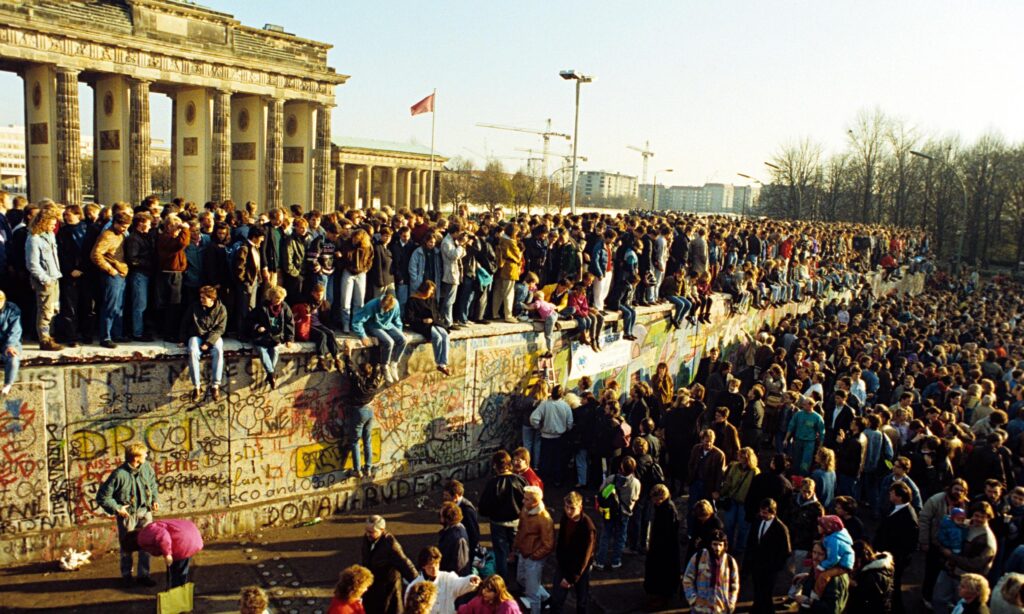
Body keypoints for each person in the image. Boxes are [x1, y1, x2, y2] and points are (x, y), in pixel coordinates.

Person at [96, 442, 160, 587]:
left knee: (147, 545)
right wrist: (117, 508)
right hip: (128, 516)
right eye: (144, 454)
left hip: (145, 512)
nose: (147, 456)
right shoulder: (119, 475)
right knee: (127, 547)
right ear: (136, 457)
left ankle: (144, 575)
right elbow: (102, 496)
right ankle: (127, 576)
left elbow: (153, 484)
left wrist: (155, 499)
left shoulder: (146, 468)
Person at [477, 450, 526, 580]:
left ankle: (503, 581)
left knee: (500, 553)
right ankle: (520, 578)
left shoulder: (493, 483)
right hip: (516, 522)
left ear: (495, 466)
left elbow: (483, 507)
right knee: (518, 551)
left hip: (497, 523)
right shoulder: (520, 480)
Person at [873, 481, 919, 613]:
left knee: (893, 586)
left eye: (892, 493)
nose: (889, 495)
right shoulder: (896, 507)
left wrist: (896, 559)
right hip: (888, 554)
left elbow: (909, 543)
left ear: (899, 497)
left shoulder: (908, 517)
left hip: (895, 559)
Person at [339, 343, 383, 478]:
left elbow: (351, 370)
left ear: (361, 372)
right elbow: (377, 367)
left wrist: (347, 355)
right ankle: (368, 468)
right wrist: (376, 349)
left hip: (358, 411)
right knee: (367, 440)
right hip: (370, 410)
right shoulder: (374, 382)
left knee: (354, 441)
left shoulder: (358, 382)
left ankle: (357, 470)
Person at [122, 518, 204, 589]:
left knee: (176, 574)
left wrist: (167, 554)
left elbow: (163, 535)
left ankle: (176, 597)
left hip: (183, 542)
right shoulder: (147, 530)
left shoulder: (141, 538)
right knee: (180, 572)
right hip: (190, 537)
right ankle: (179, 595)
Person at [549, 491, 595, 614]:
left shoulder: (587, 527)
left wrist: (570, 578)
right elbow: (561, 541)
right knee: (557, 599)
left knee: (581, 601)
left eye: (572, 508)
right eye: (566, 507)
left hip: (579, 570)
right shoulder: (565, 518)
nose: (568, 511)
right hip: (564, 564)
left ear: (580, 507)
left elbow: (584, 558)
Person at [180, 285, 227, 403]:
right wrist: (182, 339)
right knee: (192, 351)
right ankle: (197, 387)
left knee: (218, 351)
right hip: (196, 335)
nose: (201, 300)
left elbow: (220, 329)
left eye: (204, 298)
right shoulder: (194, 307)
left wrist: (208, 342)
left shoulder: (221, 309)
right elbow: (184, 322)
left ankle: (215, 386)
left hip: (213, 336)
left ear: (212, 299)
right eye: (200, 297)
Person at [25, 206, 63, 351]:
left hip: (55, 277)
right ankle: (44, 339)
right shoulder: (33, 239)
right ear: (44, 222)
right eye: (52, 224)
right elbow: (32, 263)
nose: (54, 226)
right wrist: (44, 279)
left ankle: (50, 335)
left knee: (53, 309)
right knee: (45, 311)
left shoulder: (50, 235)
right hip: (45, 280)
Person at [91, 211, 131, 348]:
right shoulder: (107, 235)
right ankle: (106, 337)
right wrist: (109, 269)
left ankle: (117, 334)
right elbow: (95, 255)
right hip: (112, 275)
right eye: (123, 226)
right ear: (115, 223)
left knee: (119, 307)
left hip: (121, 273)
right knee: (110, 306)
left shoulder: (122, 234)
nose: (125, 229)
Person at [361, 515, 417, 614]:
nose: (367, 534)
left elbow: (406, 565)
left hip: (387, 593)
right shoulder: (368, 539)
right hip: (372, 590)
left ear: (382, 530)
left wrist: (419, 583)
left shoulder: (390, 545)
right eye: (367, 530)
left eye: (371, 532)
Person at [512, 485, 554, 614]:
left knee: (532, 593)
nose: (523, 501)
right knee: (522, 579)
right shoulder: (526, 510)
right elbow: (520, 530)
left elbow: (548, 544)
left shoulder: (544, 519)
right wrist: (515, 548)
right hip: (524, 553)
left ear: (535, 502)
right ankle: (546, 598)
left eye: (527, 499)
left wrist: (534, 556)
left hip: (533, 557)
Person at [595, 455, 641, 570]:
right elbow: (635, 498)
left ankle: (600, 561)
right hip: (624, 513)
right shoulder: (636, 483)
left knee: (605, 535)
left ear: (621, 467)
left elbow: (601, 492)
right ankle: (616, 561)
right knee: (620, 537)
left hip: (610, 512)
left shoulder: (611, 479)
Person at [747, 498, 791, 614]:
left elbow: (786, 551)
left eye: (765, 512)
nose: (762, 514)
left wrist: (775, 567)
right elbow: (751, 541)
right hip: (757, 565)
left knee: (766, 593)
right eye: (761, 512)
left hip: (770, 568)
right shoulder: (758, 521)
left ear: (773, 512)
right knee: (757, 590)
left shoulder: (780, 528)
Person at [406, 546, 480, 614]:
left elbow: (459, 583)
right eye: (430, 566)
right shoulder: (414, 587)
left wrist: (470, 580)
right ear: (423, 566)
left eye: (437, 564)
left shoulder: (447, 578)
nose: (434, 569)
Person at [352, 292, 406, 384]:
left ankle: (394, 363)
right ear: (381, 303)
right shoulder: (372, 305)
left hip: (388, 325)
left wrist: (400, 331)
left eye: (389, 310)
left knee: (403, 339)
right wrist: (363, 335)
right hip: (373, 326)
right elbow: (357, 321)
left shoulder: (395, 304)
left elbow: (397, 319)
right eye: (384, 309)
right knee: (389, 342)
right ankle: (384, 366)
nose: (386, 311)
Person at [683, 529, 740, 614]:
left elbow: (734, 585)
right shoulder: (698, 557)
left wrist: (731, 604)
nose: (717, 548)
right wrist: (693, 599)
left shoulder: (730, 561)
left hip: (721, 610)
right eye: (715, 544)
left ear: (725, 546)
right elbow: (687, 579)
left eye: (720, 545)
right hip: (700, 610)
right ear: (710, 544)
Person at [248, 285, 295, 390]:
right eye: (277, 298)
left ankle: (270, 375)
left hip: (276, 337)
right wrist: (257, 327)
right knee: (261, 350)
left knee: (274, 350)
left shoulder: (285, 307)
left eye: (281, 299)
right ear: (271, 297)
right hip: (261, 337)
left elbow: (290, 323)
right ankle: (272, 374)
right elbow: (250, 320)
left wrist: (289, 339)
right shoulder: (262, 307)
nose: (279, 301)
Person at [644, 484, 681, 609]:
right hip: (660, 546)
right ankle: (658, 594)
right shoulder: (663, 507)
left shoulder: (668, 510)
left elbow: (668, 532)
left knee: (663, 573)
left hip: (665, 549)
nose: (654, 502)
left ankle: (662, 597)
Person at [530, 384, 574, 486]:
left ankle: (544, 480)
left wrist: (538, 426)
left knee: (545, 460)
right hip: (560, 437)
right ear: (562, 394)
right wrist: (567, 428)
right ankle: (557, 480)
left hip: (545, 437)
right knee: (558, 460)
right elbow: (570, 422)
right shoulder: (565, 406)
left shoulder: (545, 404)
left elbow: (533, 418)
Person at [406, 281, 452, 376]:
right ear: (424, 289)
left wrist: (436, 319)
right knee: (437, 337)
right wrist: (423, 320)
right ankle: (439, 363)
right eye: (430, 291)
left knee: (445, 336)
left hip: (434, 322)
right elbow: (409, 318)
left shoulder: (431, 299)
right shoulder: (413, 300)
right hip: (422, 324)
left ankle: (443, 363)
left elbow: (436, 311)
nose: (432, 293)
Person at [720, 446, 759, 556]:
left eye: (743, 456)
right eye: (740, 456)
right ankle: (728, 547)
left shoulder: (754, 472)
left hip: (745, 504)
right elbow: (728, 482)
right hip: (733, 500)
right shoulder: (734, 467)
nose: (740, 458)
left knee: (743, 528)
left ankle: (739, 550)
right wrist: (722, 493)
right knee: (729, 525)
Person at [847, 541, 894, 614]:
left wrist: (854, 585)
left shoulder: (872, 575)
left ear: (860, 559)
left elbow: (869, 599)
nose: (852, 566)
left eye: (854, 561)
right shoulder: (877, 570)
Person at [785, 395, 825, 475]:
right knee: (796, 460)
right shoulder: (798, 414)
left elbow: (822, 432)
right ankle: (794, 476)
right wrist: (786, 438)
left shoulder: (817, 417)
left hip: (809, 443)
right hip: (798, 441)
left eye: (804, 404)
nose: (802, 406)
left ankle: (802, 478)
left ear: (811, 405)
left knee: (806, 461)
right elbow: (791, 426)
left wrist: (820, 446)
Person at [442, 480, 480, 558]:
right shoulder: (454, 506)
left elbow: (474, 534)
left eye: (447, 495)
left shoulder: (467, 510)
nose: (444, 498)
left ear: (455, 496)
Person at [456, 575, 522, 614]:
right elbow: (464, 610)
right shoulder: (479, 601)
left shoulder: (509, 607)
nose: (484, 592)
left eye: (488, 591)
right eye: (483, 588)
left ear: (497, 592)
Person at [437, 502, 471, 576]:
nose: (439, 518)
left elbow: (460, 566)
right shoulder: (452, 531)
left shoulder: (458, 538)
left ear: (447, 518)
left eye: (441, 516)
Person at [0, 290, 22, 396]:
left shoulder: (12, 308)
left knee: (13, 358)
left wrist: (10, 345)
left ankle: (7, 385)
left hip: (8, 340)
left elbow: (15, 329)